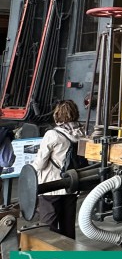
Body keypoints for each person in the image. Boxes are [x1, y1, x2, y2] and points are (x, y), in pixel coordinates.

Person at [32, 100, 86, 238]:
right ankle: (68, 255)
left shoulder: (53, 135)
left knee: (48, 227)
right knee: (68, 227)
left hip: (51, 186)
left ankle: (50, 257)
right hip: (72, 184)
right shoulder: (81, 132)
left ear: (57, 114)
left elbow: (40, 164)